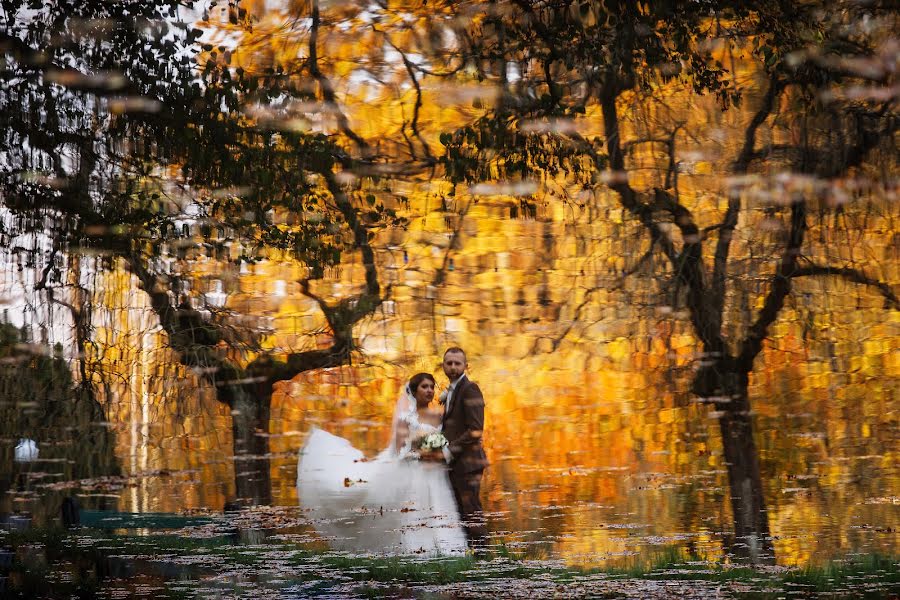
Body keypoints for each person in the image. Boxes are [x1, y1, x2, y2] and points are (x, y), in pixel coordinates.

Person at [297, 372, 466, 555]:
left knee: (440, 507)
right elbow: (400, 450)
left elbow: (448, 438)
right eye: (424, 387)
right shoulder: (407, 418)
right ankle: (417, 551)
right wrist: (421, 452)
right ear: (414, 391)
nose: (429, 390)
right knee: (416, 510)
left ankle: (449, 549)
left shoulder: (439, 416)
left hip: (436, 472)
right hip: (415, 471)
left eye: (432, 387)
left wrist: (438, 449)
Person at [424, 347, 488, 549]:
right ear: (443, 365)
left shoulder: (470, 389)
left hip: (469, 463)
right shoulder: (451, 390)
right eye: (449, 363)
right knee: (461, 511)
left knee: (471, 512)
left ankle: (484, 559)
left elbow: (476, 430)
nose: (452, 367)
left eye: (457, 363)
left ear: (465, 366)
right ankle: (474, 559)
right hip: (457, 464)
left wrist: (448, 451)